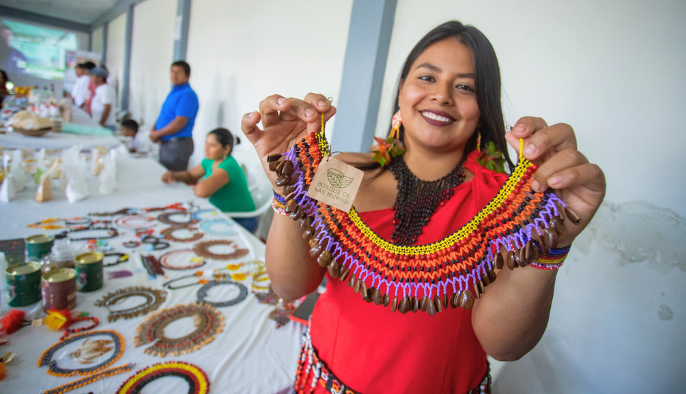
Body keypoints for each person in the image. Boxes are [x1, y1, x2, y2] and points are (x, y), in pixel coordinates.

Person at [240, 21, 606, 393]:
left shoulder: (507, 203)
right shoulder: (343, 173)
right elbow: (291, 286)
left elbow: (505, 346)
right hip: (321, 380)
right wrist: (289, 184)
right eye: (427, 78)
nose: (442, 95)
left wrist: (547, 241)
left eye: (465, 87)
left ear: (484, 106)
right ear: (402, 88)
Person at [161, 128, 257, 232]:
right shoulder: (210, 160)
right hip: (221, 213)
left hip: (240, 219)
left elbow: (202, 191)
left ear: (226, 149)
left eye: (212, 145)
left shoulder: (229, 165)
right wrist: (174, 175)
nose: (206, 148)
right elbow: (191, 175)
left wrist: (199, 186)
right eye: (206, 143)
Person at [150, 60, 199, 171]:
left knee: (172, 182)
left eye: (178, 72)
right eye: (172, 71)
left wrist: (157, 133)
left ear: (188, 75)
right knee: (164, 175)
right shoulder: (174, 92)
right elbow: (164, 114)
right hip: (167, 143)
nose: (174, 75)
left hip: (177, 144)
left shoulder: (187, 94)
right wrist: (153, 130)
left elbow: (179, 123)